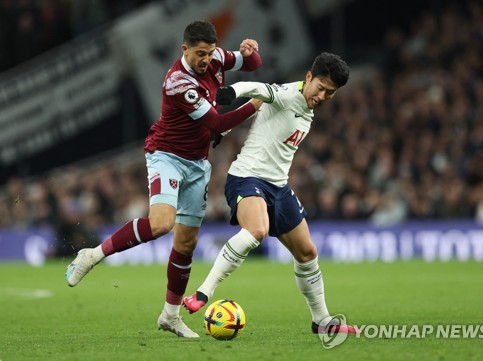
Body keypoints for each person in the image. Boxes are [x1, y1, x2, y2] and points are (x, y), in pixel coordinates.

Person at [65, 20, 262, 338]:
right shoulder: (177, 82)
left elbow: (250, 63)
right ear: (184, 48)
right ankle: (91, 255)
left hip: (198, 163)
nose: (206, 60)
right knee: (161, 224)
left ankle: (170, 316)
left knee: (186, 244)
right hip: (167, 156)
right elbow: (216, 121)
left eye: (210, 53)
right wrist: (254, 105)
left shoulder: (216, 58)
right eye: (199, 53)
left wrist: (251, 51)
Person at [183, 52, 358, 334]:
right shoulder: (288, 93)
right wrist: (229, 92)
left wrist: (223, 132)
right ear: (309, 78)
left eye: (331, 93)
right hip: (246, 178)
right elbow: (258, 90)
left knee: (307, 252)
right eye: (321, 88)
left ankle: (322, 322)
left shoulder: (308, 107)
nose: (323, 96)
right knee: (257, 230)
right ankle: (204, 291)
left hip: (277, 186)